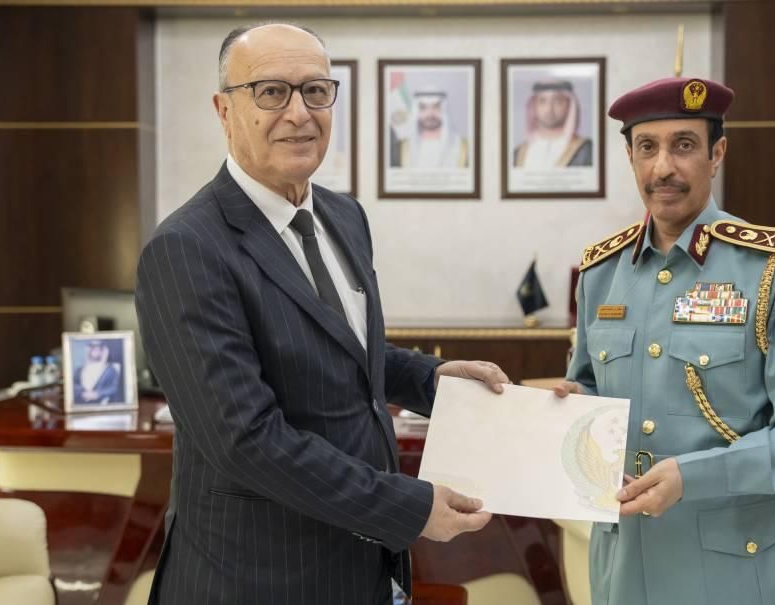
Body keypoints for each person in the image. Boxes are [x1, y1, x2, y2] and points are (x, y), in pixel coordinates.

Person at [135, 23, 508, 605]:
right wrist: (406, 507)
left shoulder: (344, 216)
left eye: (315, 90)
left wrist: (429, 378)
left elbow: (337, 348)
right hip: (255, 578)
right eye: (270, 92)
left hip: (358, 569)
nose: (299, 113)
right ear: (224, 110)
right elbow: (244, 440)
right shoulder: (186, 248)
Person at [554, 77, 775, 605]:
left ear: (717, 154)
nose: (663, 167)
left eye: (683, 145)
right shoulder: (601, 272)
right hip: (624, 563)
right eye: (647, 147)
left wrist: (693, 476)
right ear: (630, 157)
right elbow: (590, 390)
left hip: (742, 566)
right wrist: (571, 407)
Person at [513, 79, 592, 168]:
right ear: (534, 105)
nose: (549, 109)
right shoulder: (518, 153)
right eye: (542, 101)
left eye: (557, 101)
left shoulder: (586, 150)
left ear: (569, 105)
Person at [390, 90, 469, 169]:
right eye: (423, 108)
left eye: (436, 107)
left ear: (444, 111)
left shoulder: (465, 147)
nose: (430, 113)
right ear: (416, 112)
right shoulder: (400, 149)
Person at [73, 340, 122, 404]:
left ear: (103, 350)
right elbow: (73, 385)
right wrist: (83, 392)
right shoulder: (79, 370)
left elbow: (114, 388)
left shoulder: (110, 370)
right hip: (80, 403)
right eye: (92, 346)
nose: (94, 349)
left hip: (99, 403)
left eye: (97, 347)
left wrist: (98, 394)